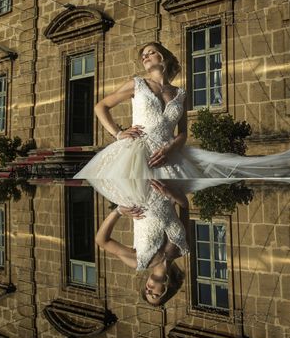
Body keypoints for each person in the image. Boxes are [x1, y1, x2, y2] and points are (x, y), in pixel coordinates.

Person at [74, 42, 203, 180]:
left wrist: (170, 149)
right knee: (133, 197)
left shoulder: (180, 93)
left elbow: (183, 132)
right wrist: (118, 133)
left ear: (163, 57)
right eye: (143, 56)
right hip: (137, 153)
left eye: (151, 52)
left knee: (166, 197)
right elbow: (100, 107)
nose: (145, 57)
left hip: (167, 155)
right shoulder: (138, 84)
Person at [93, 179, 188, 306]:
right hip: (162, 182)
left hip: (138, 189)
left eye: (147, 293)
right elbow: (184, 206)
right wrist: (172, 193)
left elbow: (101, 241)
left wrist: (118, 211)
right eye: (155, 295)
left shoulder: (140, 261)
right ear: (167, 289)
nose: (149, 291)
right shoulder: (182, 249)